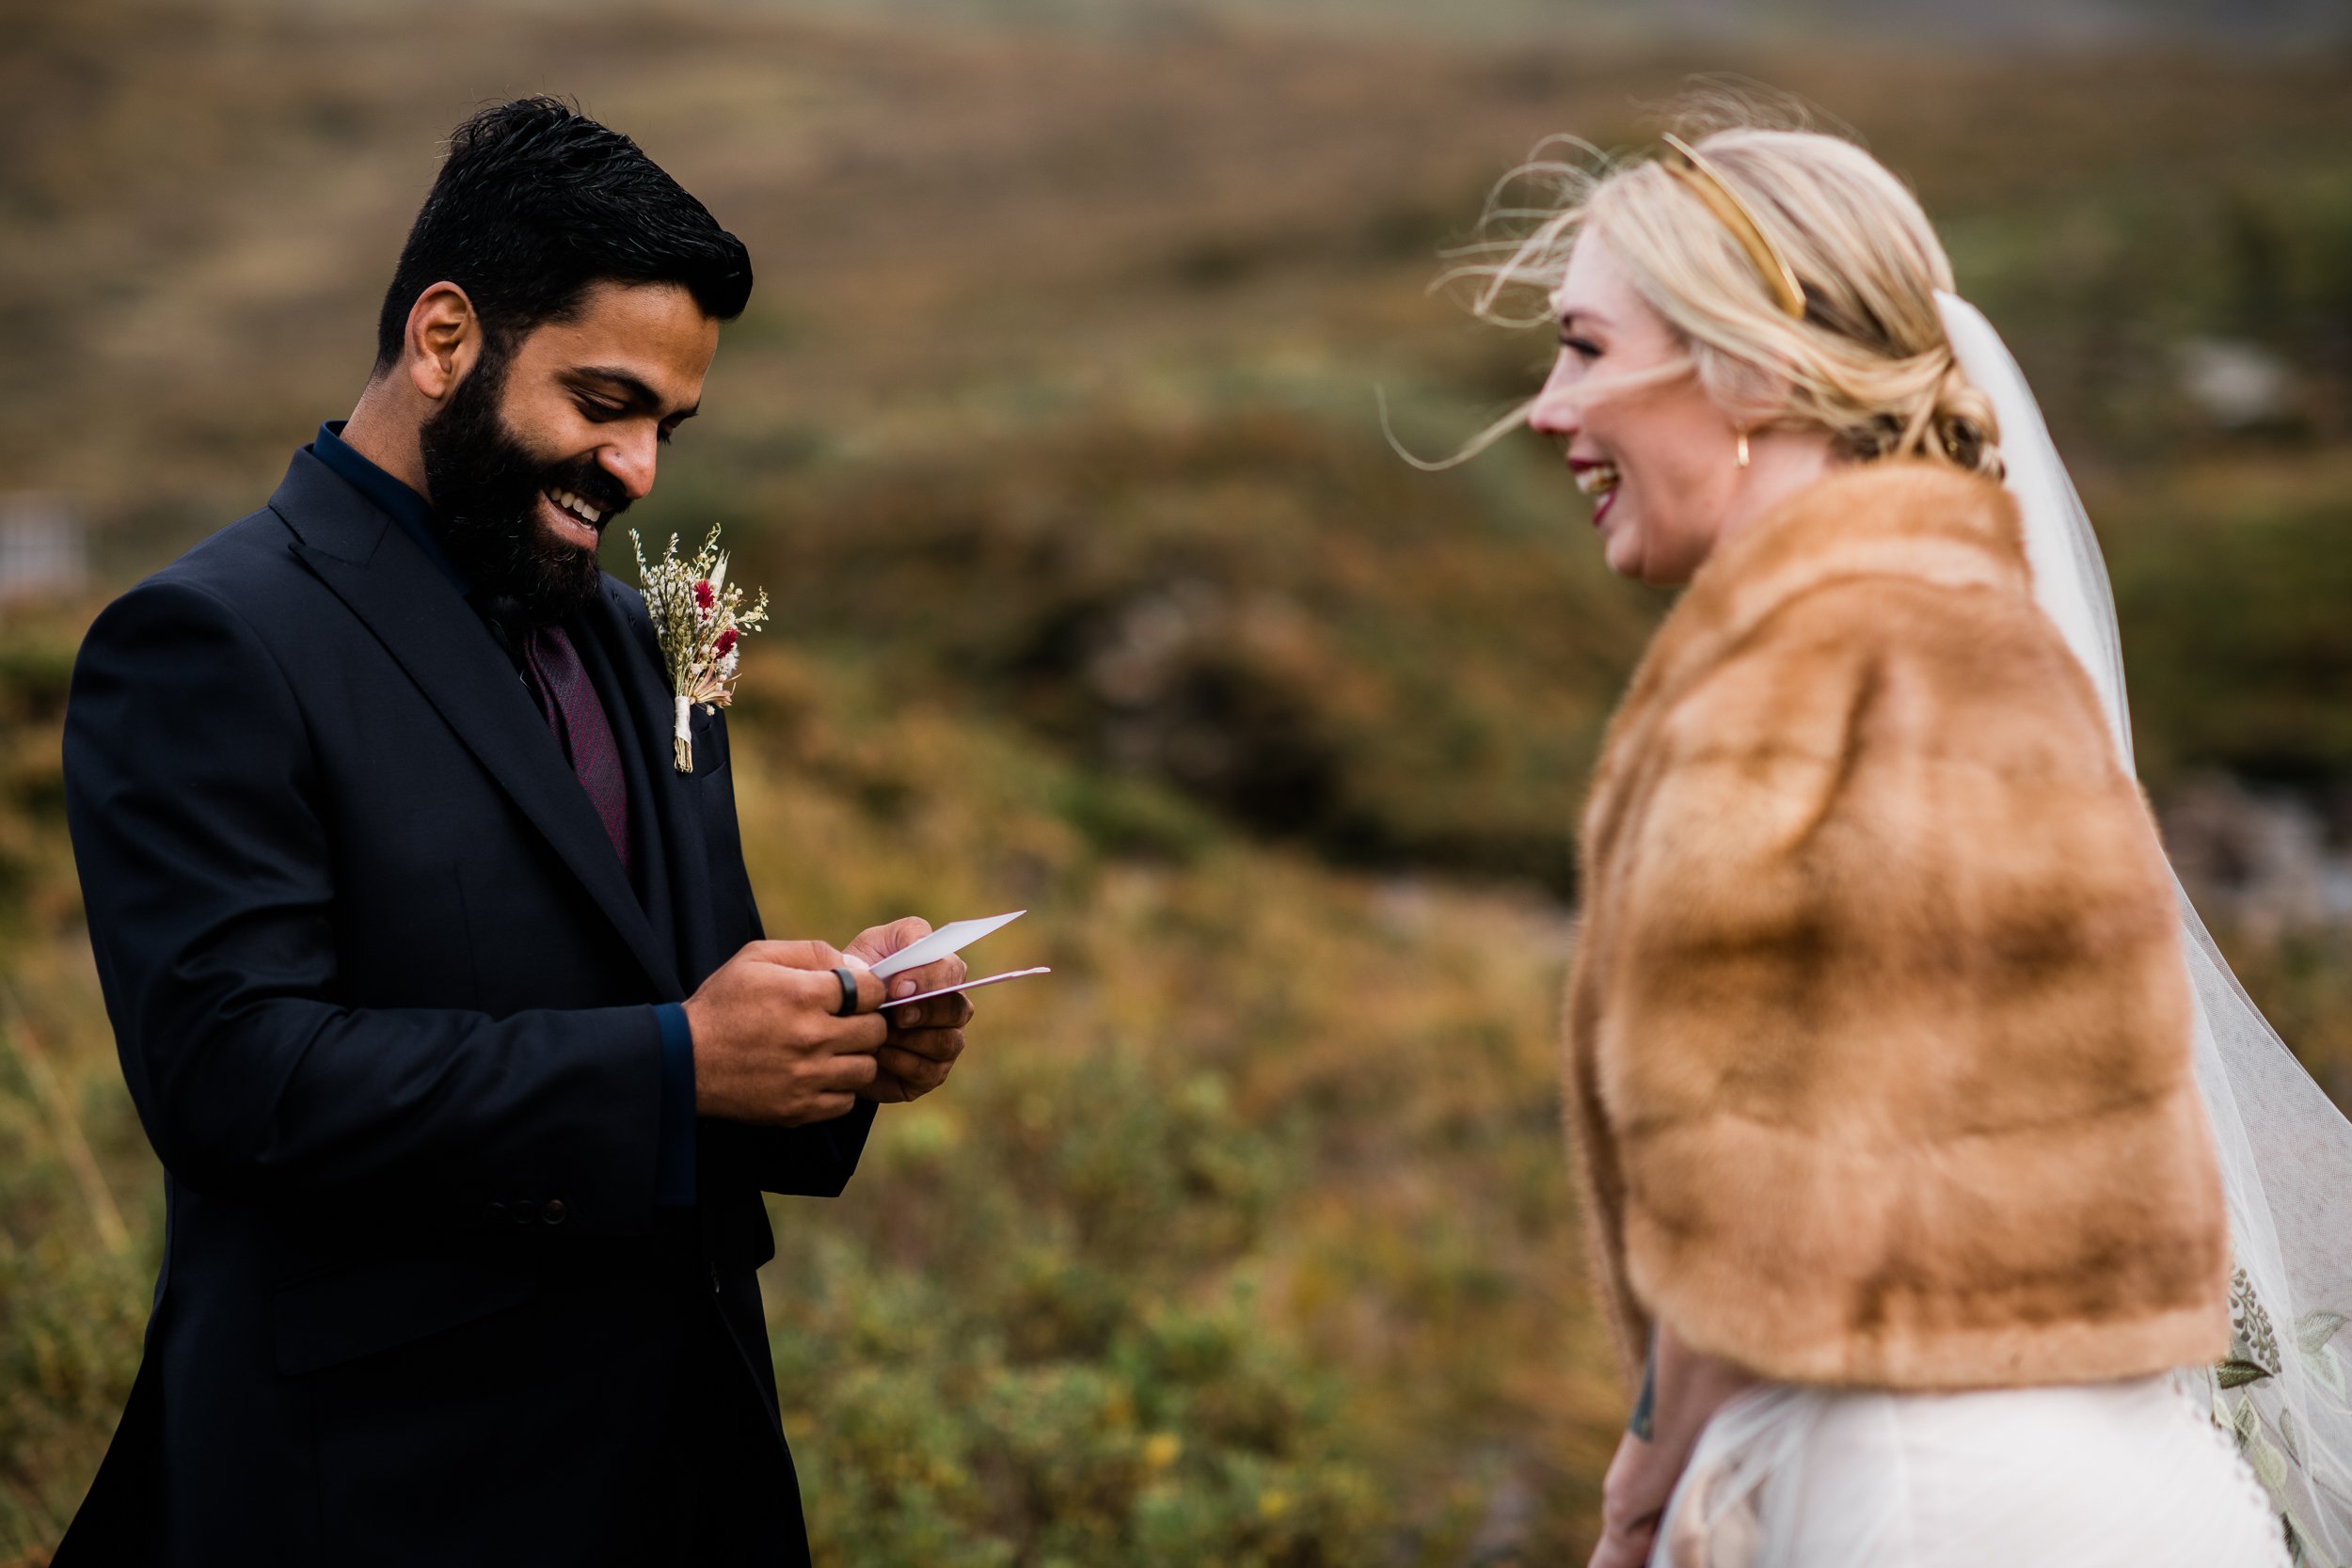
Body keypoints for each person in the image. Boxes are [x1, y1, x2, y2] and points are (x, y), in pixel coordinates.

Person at [56, 98, 977, 1566]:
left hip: (683, 1471)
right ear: (442, 339)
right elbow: (234, 1078)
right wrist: (681, 1059)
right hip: (383, 1489)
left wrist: (840, 1035)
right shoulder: (208, 641)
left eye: (665, 429)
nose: (638, 473)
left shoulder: (632, 634)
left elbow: (687, 986)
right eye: (603, 405)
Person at [1442, 119, 2349, 1565]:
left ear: (1748, 365)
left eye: (1587, 350)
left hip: (1914, 1484)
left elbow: (1758, 1192)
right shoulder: (1975, 624)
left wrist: (1637, 1498)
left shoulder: (1793, 670)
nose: (1550, 410)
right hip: (2126, 1465)